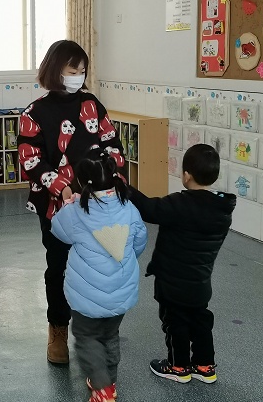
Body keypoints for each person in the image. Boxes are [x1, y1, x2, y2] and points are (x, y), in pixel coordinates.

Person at [17, 40, 126, 364]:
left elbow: (113, 146)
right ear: (55, 70)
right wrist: (61, 186)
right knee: (59, 267)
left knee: (97, 268)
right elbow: (30, 159)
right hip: (56, 207)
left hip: (97, 203)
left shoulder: (92, 104)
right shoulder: (34, 113)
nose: (78, 76)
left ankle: (96, 331)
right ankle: (58, 330)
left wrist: (104, 177)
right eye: (72, 70)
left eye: (82, 71)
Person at [129, 143, 236, 384]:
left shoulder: (179, 204)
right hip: (200, 281)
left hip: (172, 282)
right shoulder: (222, 209)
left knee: (175, 323)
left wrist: (125, 188)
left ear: (186, 175)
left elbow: (148, 209)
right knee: (201, 321)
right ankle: (205, 367)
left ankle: (178, 367)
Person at [51, 148, 148, 402]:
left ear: (81, 182)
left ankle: (102, 387)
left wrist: (67, 204)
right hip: (120, 291)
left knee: (87, 337)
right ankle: (108, 382)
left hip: (87, 296)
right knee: (109, 335)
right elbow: (139, 242)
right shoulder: (129, 207)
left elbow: (57, 230)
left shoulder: (76, 212)